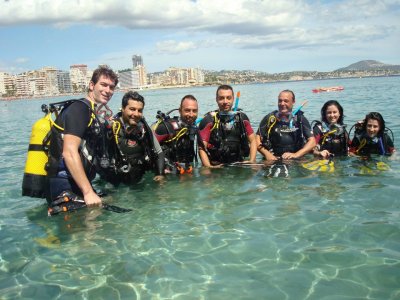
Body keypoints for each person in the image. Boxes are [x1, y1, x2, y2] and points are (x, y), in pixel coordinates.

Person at [45, 66, 118, 212]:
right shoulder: (80, 109)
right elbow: (69, 152)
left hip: (75, 182)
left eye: (111, 87)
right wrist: (88, 192)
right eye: (103, 85)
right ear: (92, 85)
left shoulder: (91, 111)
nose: (108, 90)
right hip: (64, 183)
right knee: (82, 233)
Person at [100, 91, 165, 185]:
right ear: (122, 108)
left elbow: (159, 153)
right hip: (116, 184)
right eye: (132, 109)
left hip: (141, 180)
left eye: (140, 110)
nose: (136, 114)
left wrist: (160, 175)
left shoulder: (144, 129)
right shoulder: (111, 129)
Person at [198, 85, 257, 167]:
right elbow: (201, 148)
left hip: (238, 164)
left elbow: (253, 140)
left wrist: (252, 160)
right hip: (216, 166)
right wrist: (209, 167)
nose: (225, 101)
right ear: (216, 99)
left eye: (228, 98)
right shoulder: (208, 120)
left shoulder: (242, 118)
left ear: (233, 99)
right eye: (221, 98)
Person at [256, 89, 316, 160]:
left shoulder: (300, 119)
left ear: (293, 102)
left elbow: (312, 142)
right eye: (280, 101)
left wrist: (296, 155)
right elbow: (256, 140)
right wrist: (267, 154)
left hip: (296, 158)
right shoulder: (270, 118)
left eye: (286, 101)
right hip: (273, 158)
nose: (282, 103)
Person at [153, 95, 202, 174]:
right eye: (187, 110)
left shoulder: (193, 128)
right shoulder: (167, 127)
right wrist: (160, 173)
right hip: (165, 174)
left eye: (194, 111)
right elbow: (149, 149)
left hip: (184, 172)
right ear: (180, 111)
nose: (191, 114)